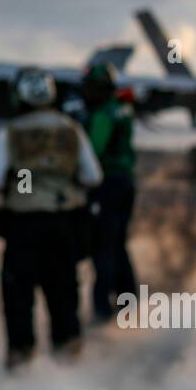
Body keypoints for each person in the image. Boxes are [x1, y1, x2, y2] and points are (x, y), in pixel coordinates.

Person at [0, 67, 100, 369]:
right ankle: (69, 364)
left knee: (19, 299)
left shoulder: (10, 132)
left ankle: (21, 368)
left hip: (23, 226)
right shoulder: (72, 129)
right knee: (64, 297)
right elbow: (92, 175)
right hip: (64, 225)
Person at [81, 62, 138, 324]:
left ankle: (102, 307)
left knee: (102, 244)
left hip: (107, 185)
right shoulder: (123, 110)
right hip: (126, 182)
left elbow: (93, 151)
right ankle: (129, 300)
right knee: (119, 242)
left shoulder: (104, 114)